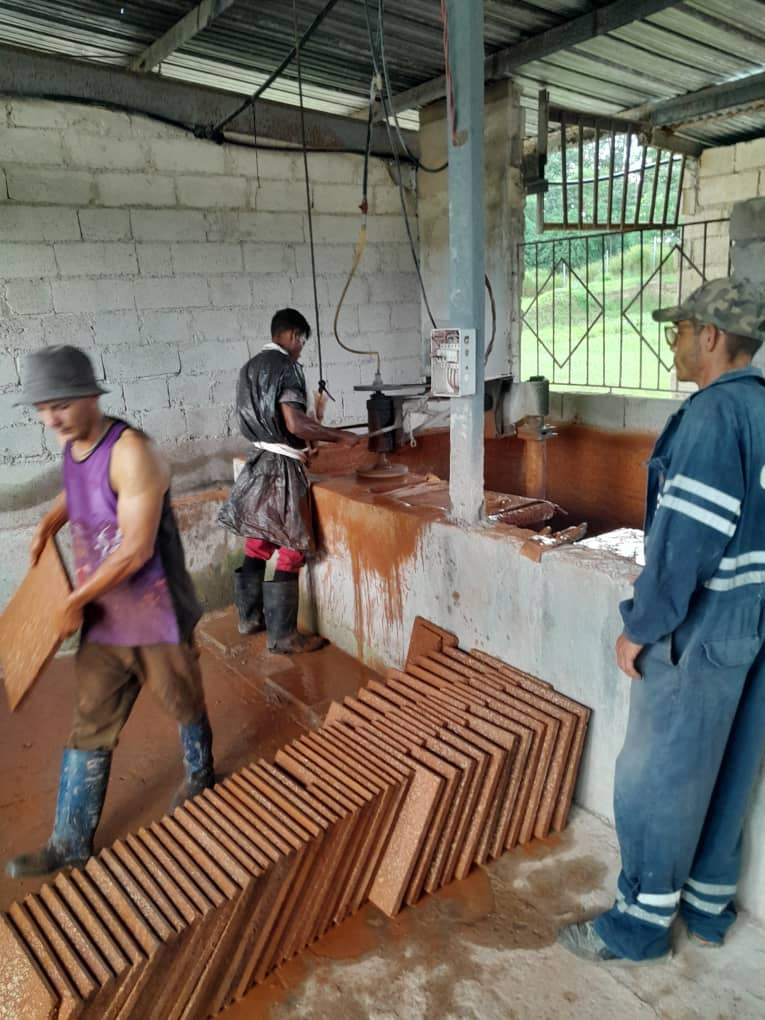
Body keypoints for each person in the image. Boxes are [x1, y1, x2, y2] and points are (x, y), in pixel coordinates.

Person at [557, 277, 765, 963]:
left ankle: (637, 927)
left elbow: (682, 549)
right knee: (730, 766)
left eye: (679, 330)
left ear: (709, 336)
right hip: (752, 621)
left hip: (700, 629)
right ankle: (707, 909)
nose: (672, 342)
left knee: (655, 778)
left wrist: (640, 627)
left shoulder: (711, 417)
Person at [6, 345, 214, 879]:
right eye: (42, 407)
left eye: (61, 405)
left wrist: (74, 600)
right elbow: (78, 491)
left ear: (89, 395)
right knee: (90, 724)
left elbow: (136, 549)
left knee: (182, 700)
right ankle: (70, 842)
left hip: (156, 614)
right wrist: (48, 523)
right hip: (104, 620)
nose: (51, 418)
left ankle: (200, 775)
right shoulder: (72, 445)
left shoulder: (131, 452)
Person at [218, 308, 360, 653]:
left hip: (258, 463)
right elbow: (294, 425)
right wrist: (339, 436)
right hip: (281, 467)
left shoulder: (249, 368)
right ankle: (283, 637)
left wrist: (314, 421)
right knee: (293, 546)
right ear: (295, 335)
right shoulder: (287, 368)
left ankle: (249, 618)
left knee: (258, 541)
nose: (301, 350)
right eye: (302, 343)